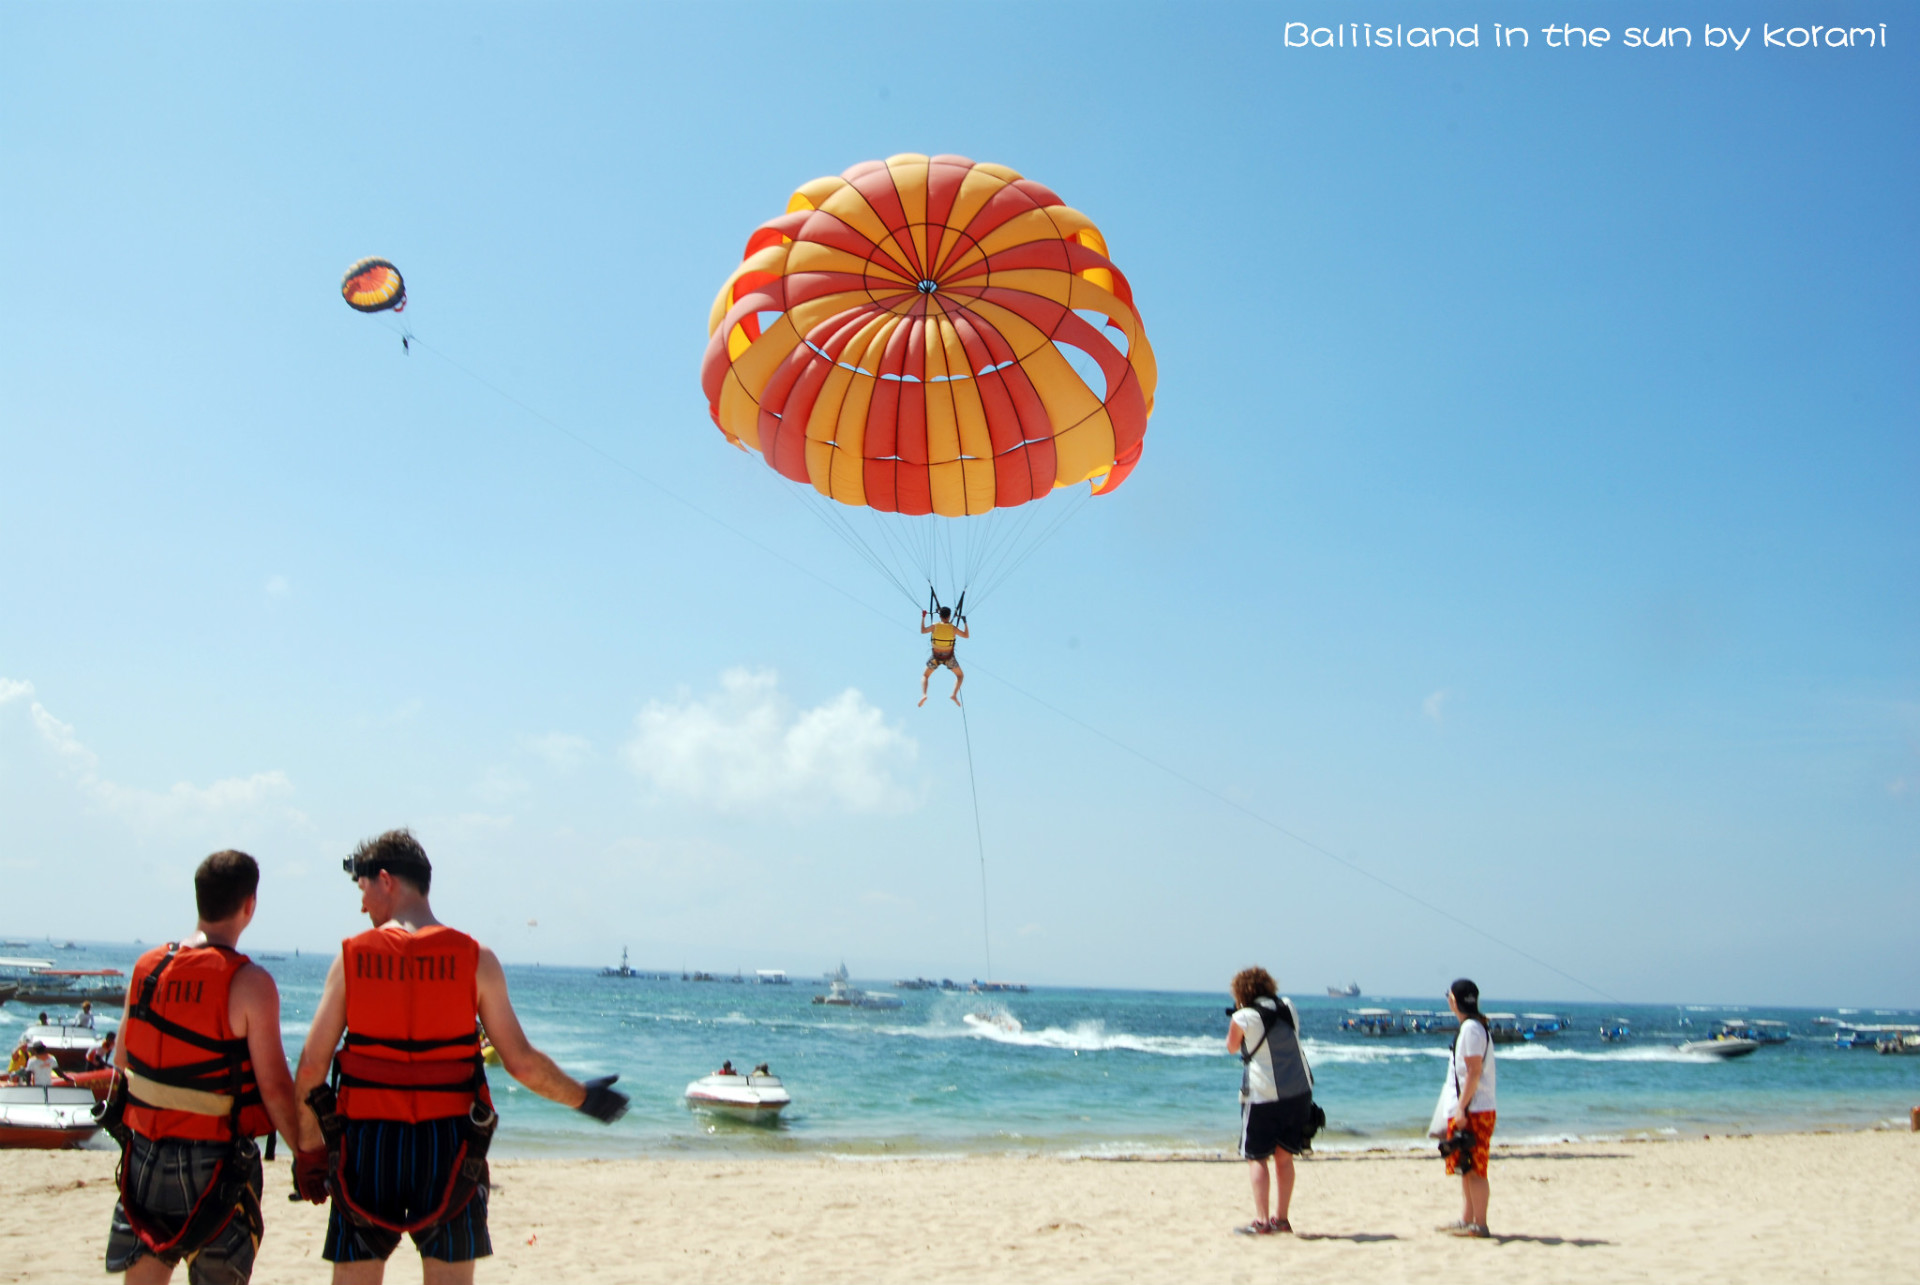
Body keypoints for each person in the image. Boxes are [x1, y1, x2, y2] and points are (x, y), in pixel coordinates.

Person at [291, 829, 629, 1283]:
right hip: (451, 1146)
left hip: (366, 1145)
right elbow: (521, 1062)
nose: (361, 905)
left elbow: (312, 1067)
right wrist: (581, 1099)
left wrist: (310, 1151)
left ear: (386, 880)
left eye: (363, 889)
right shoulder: (476, 959)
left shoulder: (352, 958)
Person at [102, 849, 303, 1285]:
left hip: (145, 1153)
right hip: (217, 1161)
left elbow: (122, 1059)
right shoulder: (250, 983)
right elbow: (273, 1087)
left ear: (199, 899)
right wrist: (307, 1155)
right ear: (249, 906)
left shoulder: (148, 968)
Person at [1224, 966, 1316, 1236]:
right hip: (1299, 1091)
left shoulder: (1243, 1017)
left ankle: (1262, 1221)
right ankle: (1281, 1219)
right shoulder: (1288, 1006)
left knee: (1257, 1157)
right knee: (1285, 1158)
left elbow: (1231, 1047)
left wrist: (1239, 1012)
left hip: (1263, 1095)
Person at [1431, 977, 1496, 1238]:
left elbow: (1473, 1071)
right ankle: (1467, 1218)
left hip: (1474, 1110)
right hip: (1473, 1108)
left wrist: (1461, 1109)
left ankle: (1479, 1223)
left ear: (1454, 1000)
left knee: (1476, 1168)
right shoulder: (1474, 1027)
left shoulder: (1470, 1029)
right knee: (1466, 1167)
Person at [917, 607, 969, 706]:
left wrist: (923, 617)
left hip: (936, 657)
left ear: (940, 616)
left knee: (925, 675)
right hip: (949, 657)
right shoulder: (953, 628)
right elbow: (966, 635)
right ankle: (954, 694)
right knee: (960, 676)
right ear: (949, 616)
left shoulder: (934, 626)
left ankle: (924, 694)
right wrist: (965, 621)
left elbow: (923, 631)